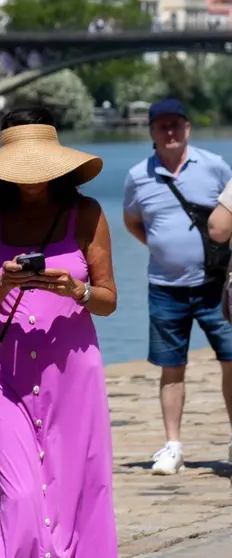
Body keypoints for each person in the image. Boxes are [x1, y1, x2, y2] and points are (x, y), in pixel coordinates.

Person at [0, 106, 118, 557]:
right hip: (7, 379)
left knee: (80, 495)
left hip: (73, 378)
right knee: (21, 497)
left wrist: (78, 289)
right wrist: (3, 284)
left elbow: (108, 300)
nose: (30, 175)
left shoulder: (85, 213)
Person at [123, 98, 232, 474]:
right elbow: (133, 222)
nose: (170, 132)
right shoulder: (138, 176)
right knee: (171, 367)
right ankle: (173, 446)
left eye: (176, 125)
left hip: (215, 285)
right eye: (162, 126)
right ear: (151, 132)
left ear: (187, 128)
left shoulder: (215, 166)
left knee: (231, 360)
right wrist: (164, 247)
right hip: (165, 286)